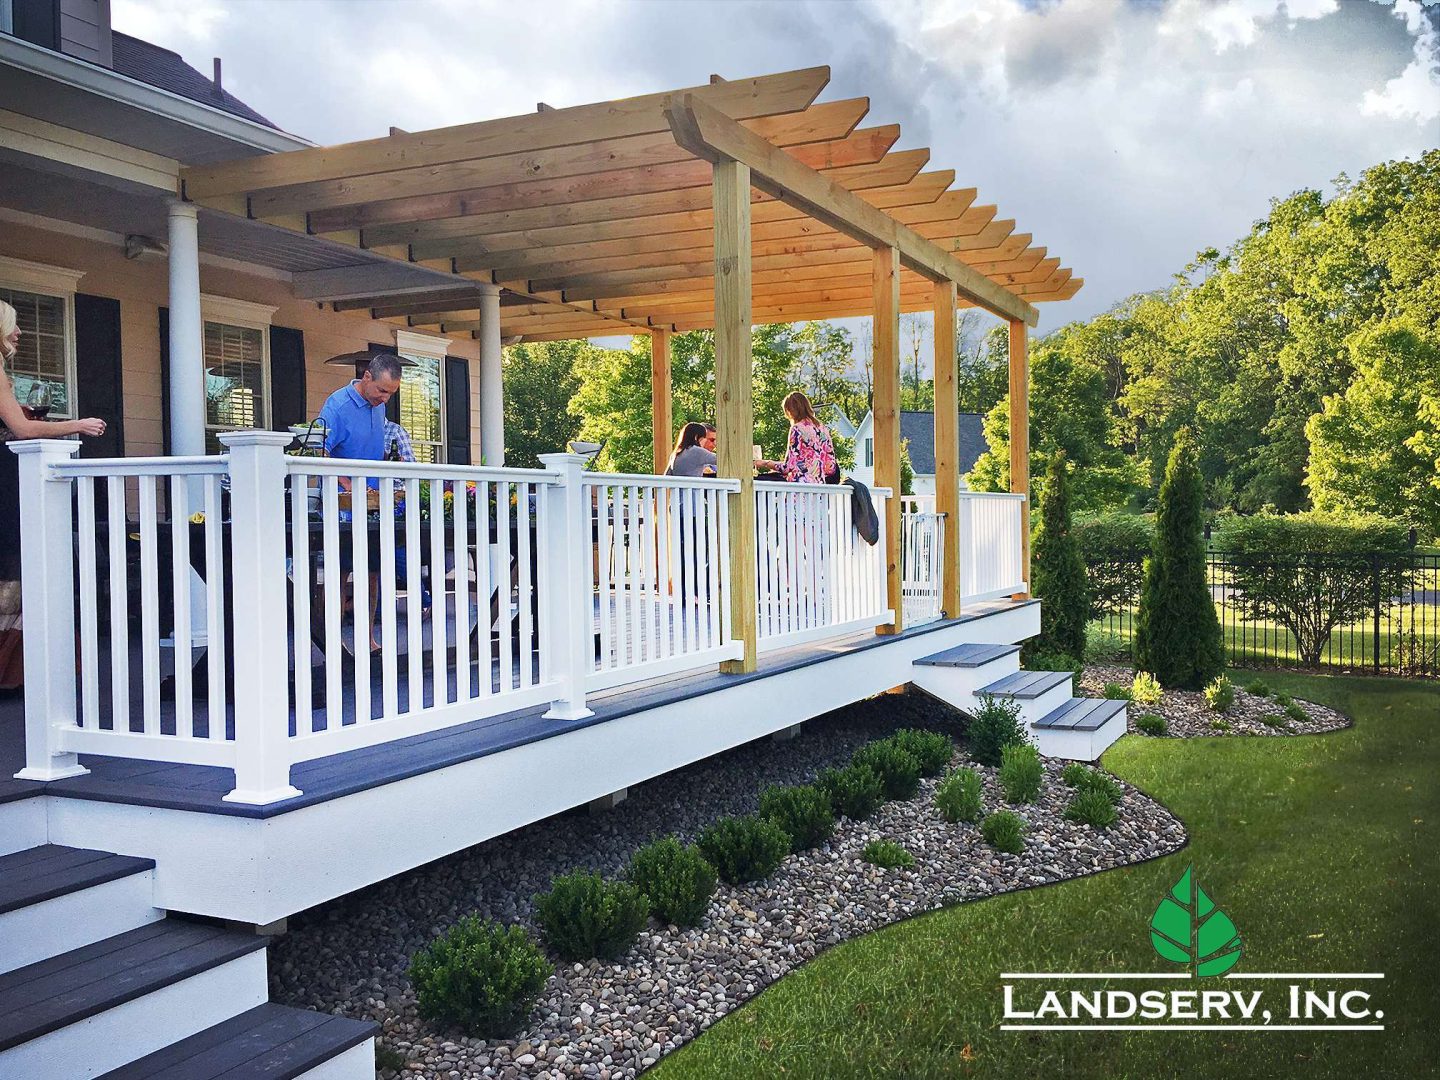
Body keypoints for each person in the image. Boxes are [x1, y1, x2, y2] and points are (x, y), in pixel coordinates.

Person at [0, 300, 107, 688]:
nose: (19, 333)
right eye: (13, 325)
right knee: (19, 564)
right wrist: (78, 424)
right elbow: (22, 431)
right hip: (7, 481)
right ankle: (20, 671)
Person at [317, 353, 403, 650]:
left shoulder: (378, 408)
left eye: (391, 393)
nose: (385, 398)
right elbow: (320, 451)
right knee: (340, 574)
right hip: (341, 505)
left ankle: (366, 638)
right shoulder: (338, 406)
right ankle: (334, 639)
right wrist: (348, 486)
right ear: (367, 377)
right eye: (382, 390)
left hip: (372, 505)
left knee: (371, 573)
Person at [757, 391, 837, 484]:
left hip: (799, 489)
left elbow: (787, 467)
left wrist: (765, 463)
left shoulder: (797, 429)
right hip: (819, 489)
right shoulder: (823, 429)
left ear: (791, 411)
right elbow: (831, 467)